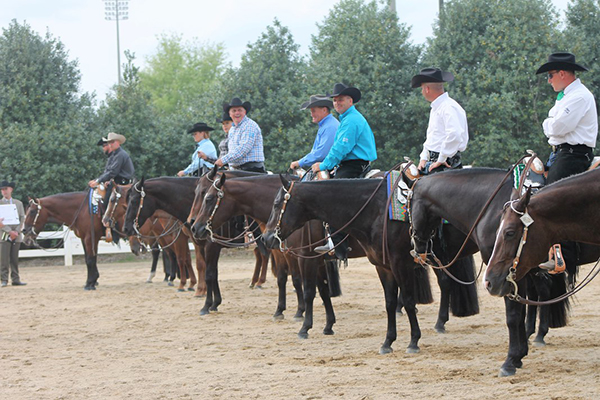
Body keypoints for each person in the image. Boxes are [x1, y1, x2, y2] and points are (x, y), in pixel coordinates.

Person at [535, 52, 598, 271]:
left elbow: (557, 127)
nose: (549, 80)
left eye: (550, 75)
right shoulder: (566, 96)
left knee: (556, 199)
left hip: (573, 155)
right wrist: (551, 124)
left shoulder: (579, 96)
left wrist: (549, 124)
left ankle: (565, 256)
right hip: (562, 153)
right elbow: (554, 126)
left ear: (562, 73)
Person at [313, 83, 377, 257]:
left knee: (331, 196)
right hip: (355, 163)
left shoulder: (351, 120)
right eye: (334, 100)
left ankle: (338, 242)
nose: (337, 103)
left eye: (340, 99)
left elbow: (341, 148)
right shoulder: (348, 119)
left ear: (350, 100)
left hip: (354, 165)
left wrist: (323, 165)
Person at [411, 67, 468, 175]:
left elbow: (455, 135)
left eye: (422, 89)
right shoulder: (438, 108)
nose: (422, 92)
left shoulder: (448, 107)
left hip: (445, 165)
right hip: (436, 162)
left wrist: (441, 159)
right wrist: (424, 157)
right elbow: (433, 138)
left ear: (427, 89)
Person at [289, 95, 339, 177]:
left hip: (331, 169)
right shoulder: (326, 125)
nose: (311, 114)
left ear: (324, 110)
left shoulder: (330, 127)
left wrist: (300, 162)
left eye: (313, 111)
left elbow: (321, 154)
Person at [215, 97, 265, 173]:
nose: (237, 113)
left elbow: (244, 148)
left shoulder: (250, 125)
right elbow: (232, 150)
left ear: (244, 112)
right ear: (230, 114)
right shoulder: (232, 129)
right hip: (237, 170)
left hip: (252, 169)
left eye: (239, 110)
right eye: (234, 111)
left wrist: (223, 160)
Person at [0, 180, 26, 287]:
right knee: (3, 259)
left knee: (15, 258)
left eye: (5, 189)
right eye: (2, 190)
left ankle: (16, 278)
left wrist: (17, 231)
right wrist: (9, 231)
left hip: (16, 234)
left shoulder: (18, 203)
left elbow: (22, 218)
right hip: (3, 235)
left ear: (11, 189)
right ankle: (4, 279)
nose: (4, 191)